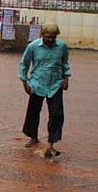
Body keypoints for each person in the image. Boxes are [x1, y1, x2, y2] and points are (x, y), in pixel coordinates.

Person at [19, 22, 71, 158]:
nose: (50, 39)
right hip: (37, 84)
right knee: (33, 112)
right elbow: (24, 64)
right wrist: (24, 82)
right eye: (48, 37)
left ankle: (51, 143)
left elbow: (65, 63)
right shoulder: (33, 47)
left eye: (53, 37)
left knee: (56, 114)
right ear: (42, 35)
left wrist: (66, 78)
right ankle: (33, 137)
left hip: (55, 84)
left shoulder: (62, 47)